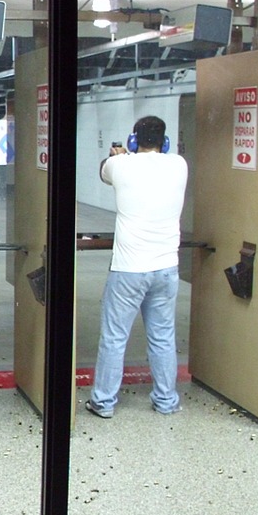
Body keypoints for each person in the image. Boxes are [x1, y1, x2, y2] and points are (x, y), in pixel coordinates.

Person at [86, 115, 188, 419]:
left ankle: (104, 402)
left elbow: (103, 170)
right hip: (167, 268)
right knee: (163, 337)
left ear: (133, 140)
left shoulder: (120, 165)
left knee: (114, 338)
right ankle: (166, 400)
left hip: (129, 269)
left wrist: (118, 155)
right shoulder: (179, 164)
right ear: (164, 142)